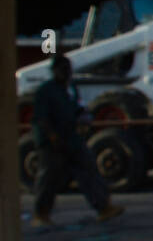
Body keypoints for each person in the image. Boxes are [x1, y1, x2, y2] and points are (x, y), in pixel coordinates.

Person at [30, 53, 124, 226]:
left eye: (69, 69)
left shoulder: (70, 88)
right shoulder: (46, 91)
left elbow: (76, 108)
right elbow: (41, 118)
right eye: (63, 69)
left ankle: (103, 207)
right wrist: (52, 136)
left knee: (88, 168)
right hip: (52, 142)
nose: (67, 73)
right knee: (49, 177)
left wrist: (84, 117)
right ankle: (41, 214)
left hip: (71, 138)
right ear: (54, 71)